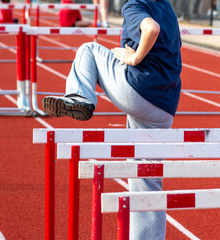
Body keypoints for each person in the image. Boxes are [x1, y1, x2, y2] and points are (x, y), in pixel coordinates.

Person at [42, 0, 181, 239]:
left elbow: (151, 29)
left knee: (88, 50)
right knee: (147, 177)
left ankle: (80, 97)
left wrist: (135, 57)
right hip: (165, 105)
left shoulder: (134, 5)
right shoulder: (167, 7)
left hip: (138, 91)